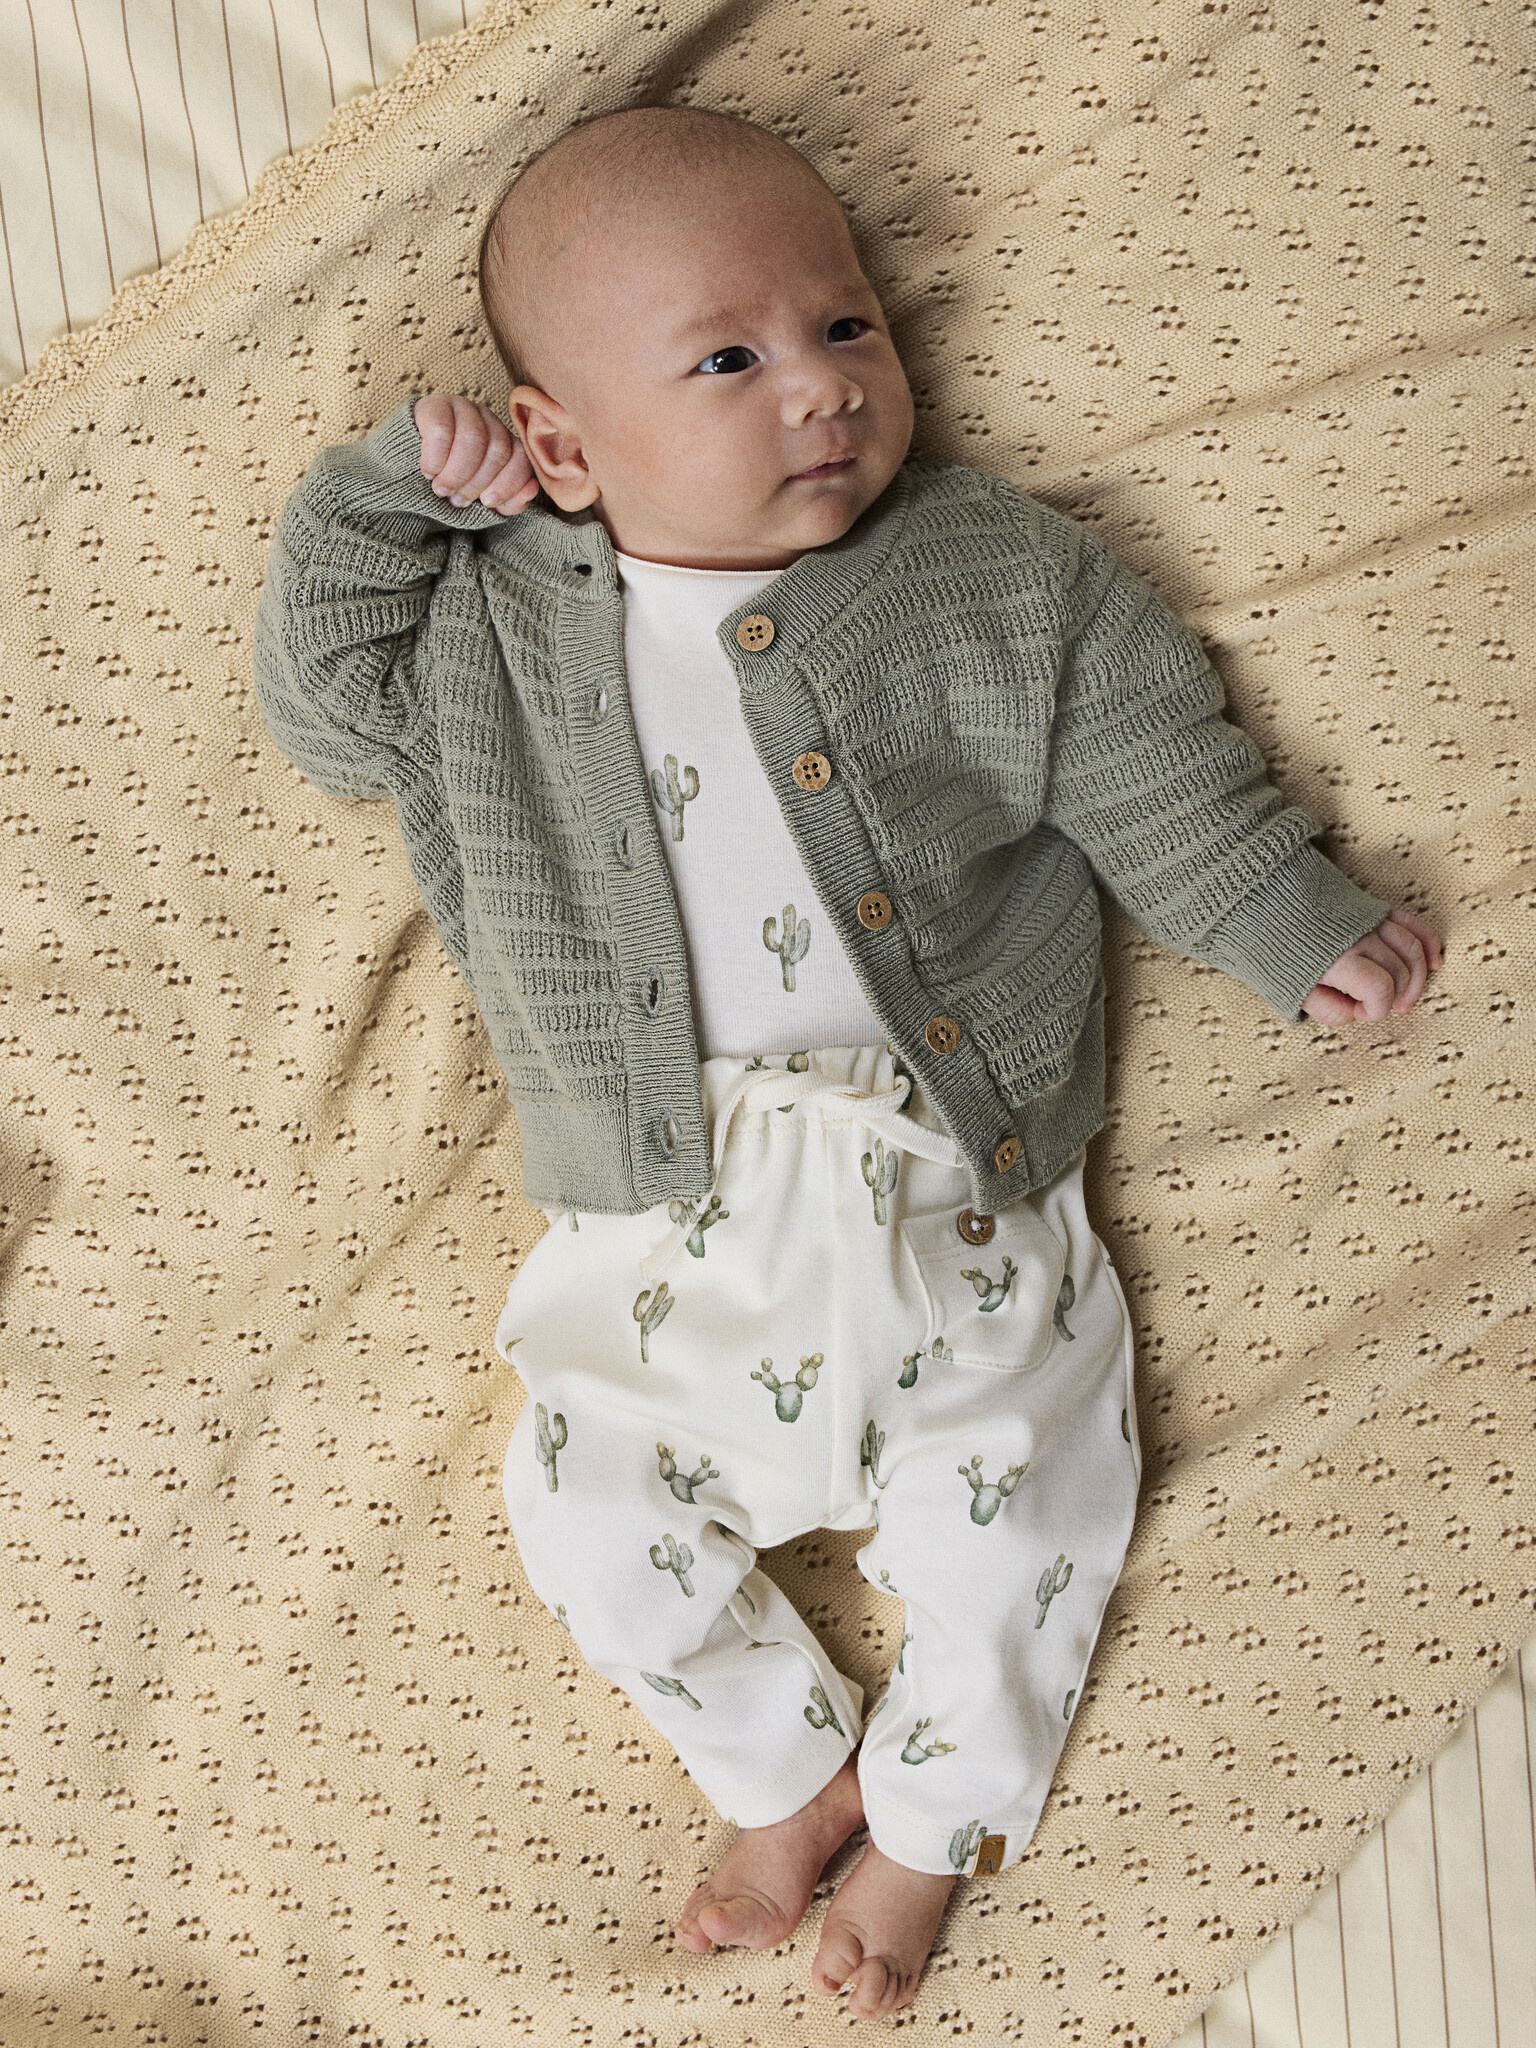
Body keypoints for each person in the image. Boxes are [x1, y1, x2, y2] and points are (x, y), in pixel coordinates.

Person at [253, 104, 1443, 2020]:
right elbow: (322, 705)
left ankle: (928, 1828)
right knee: (581, 1504)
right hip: (658, 1221)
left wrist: (1278, 913)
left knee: (1032, 1511)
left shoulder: (987, 573)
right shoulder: (488, 629)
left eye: (846, 327)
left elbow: (1140, 749)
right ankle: (785, 1775)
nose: (818, 386)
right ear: (563, 443)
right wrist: (387, 497)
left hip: (950, 1186)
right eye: (728, 359)